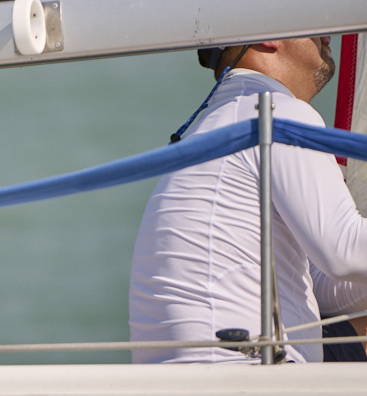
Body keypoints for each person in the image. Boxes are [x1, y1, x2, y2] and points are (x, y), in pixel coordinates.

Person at [130, 35, 367, 363]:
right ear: (269, 38)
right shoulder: (275, 111)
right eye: (313, 19)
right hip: (239, 372)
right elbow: (346, 253)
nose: (328, 31)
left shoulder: (226, 119)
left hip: (208, 371)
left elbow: (322, 286)